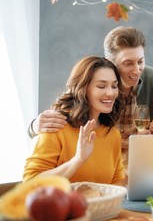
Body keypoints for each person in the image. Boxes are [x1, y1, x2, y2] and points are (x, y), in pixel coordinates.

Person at [27, 26, 153, 172]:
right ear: (110, 62)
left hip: (137, 163)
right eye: (128, 63)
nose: (137, 70)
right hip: (99, 161)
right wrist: (34, 127)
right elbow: (68, 107)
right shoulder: (93, 82)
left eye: (140, 61)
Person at [24, 56, 124, 185]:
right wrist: (78, 160)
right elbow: (30, 182)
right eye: (101, 86)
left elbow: (117, 180)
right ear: (82, 89)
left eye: (114, 86)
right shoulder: (56, 125)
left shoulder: (112, 133)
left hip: (100, 206)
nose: (110, 93)